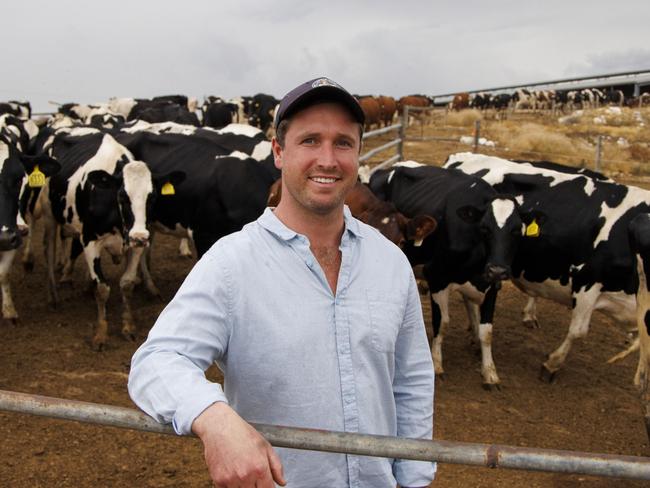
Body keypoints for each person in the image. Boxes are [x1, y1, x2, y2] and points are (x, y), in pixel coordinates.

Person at [128, 77, 436, 488]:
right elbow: (157, 361)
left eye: (343, 143)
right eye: (310, 140)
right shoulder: (232, 263)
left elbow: (411, 381)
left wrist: (414, 478)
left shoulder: (390, 262)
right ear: (278, 151)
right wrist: (215, 418)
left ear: (359, 154)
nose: (328, 159)